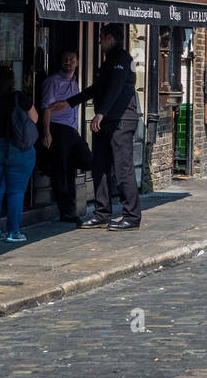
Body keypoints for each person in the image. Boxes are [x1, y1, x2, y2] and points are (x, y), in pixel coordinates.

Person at [48, 23, 140, 230]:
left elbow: (116, 88)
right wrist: (69, 102)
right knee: (99, 166)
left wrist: (101, 113)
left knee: (122, 167)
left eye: (101, 37)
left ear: (110, 38)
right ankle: (102, 213)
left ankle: (132, 216)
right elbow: (97, 88)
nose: (99, 41)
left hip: (121, 121)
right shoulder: (108, 62)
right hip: (105, 121)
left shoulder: (123, 59)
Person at [0, 65, 38, 242]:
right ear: (12, 82)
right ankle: (14, 232)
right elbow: (34, 119)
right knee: (16, 192)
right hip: (17, 149)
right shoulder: (18, 97)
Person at [39, 50, 91, 224]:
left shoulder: (75, 82)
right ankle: (67, 212)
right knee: (62, 171)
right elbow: (46, 108)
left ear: (77, 63)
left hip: (72, 131)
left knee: (86, 159)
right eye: (66, 59)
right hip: (58, 129)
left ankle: (71, 207)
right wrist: (47, 133)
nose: (68, 62)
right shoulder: (52, 82)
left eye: (72, 60)